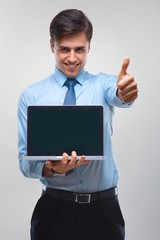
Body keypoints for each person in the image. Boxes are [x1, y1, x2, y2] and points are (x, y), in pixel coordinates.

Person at [17, 9, 138, 240]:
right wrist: (52, 169)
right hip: (54, 209)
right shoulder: (31, 96)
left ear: (89, 47)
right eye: (64, 49)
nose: (72, 58)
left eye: (79, 49)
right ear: (52, 45)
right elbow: (24, 162)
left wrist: (126, 93)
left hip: (104, 211)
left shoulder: (103, 84)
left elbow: (118, 95)